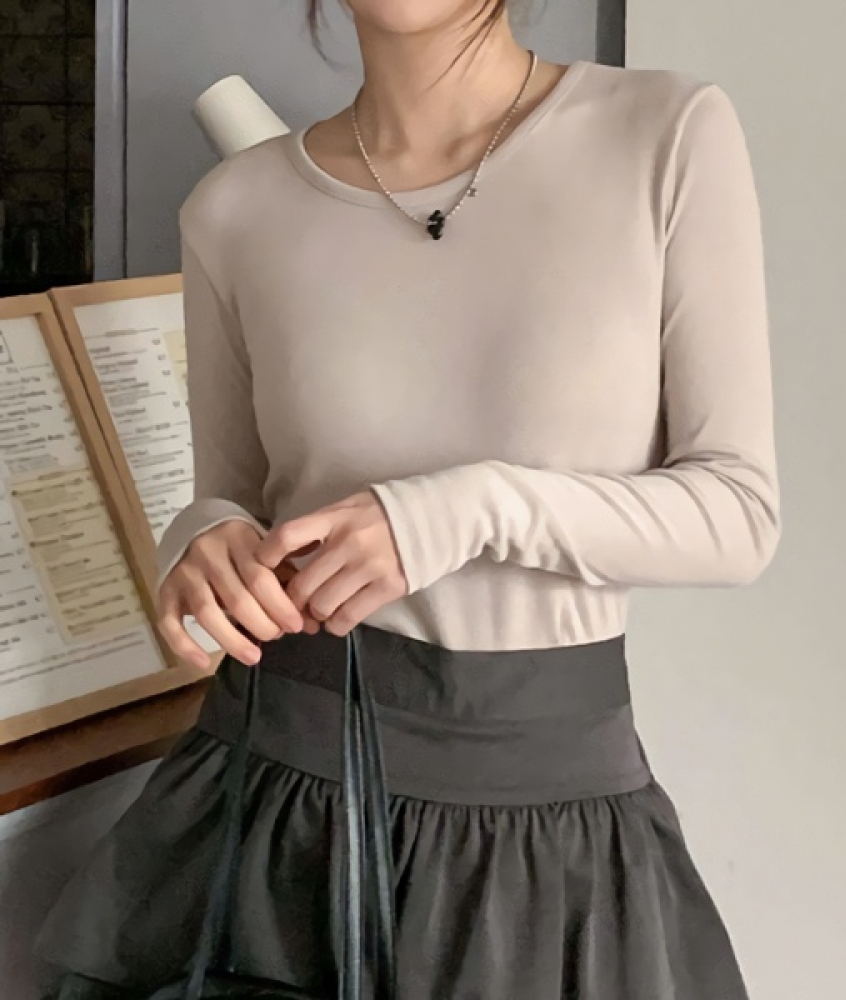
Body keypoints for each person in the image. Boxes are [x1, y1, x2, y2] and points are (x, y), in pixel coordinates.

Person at [33, 0, 781, 997]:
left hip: (539, 825)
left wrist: (463, 509)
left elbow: (737, 512)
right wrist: (204, 545)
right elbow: (230, 499)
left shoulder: (663, 133)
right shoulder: (236, 206)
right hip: (275, 807)